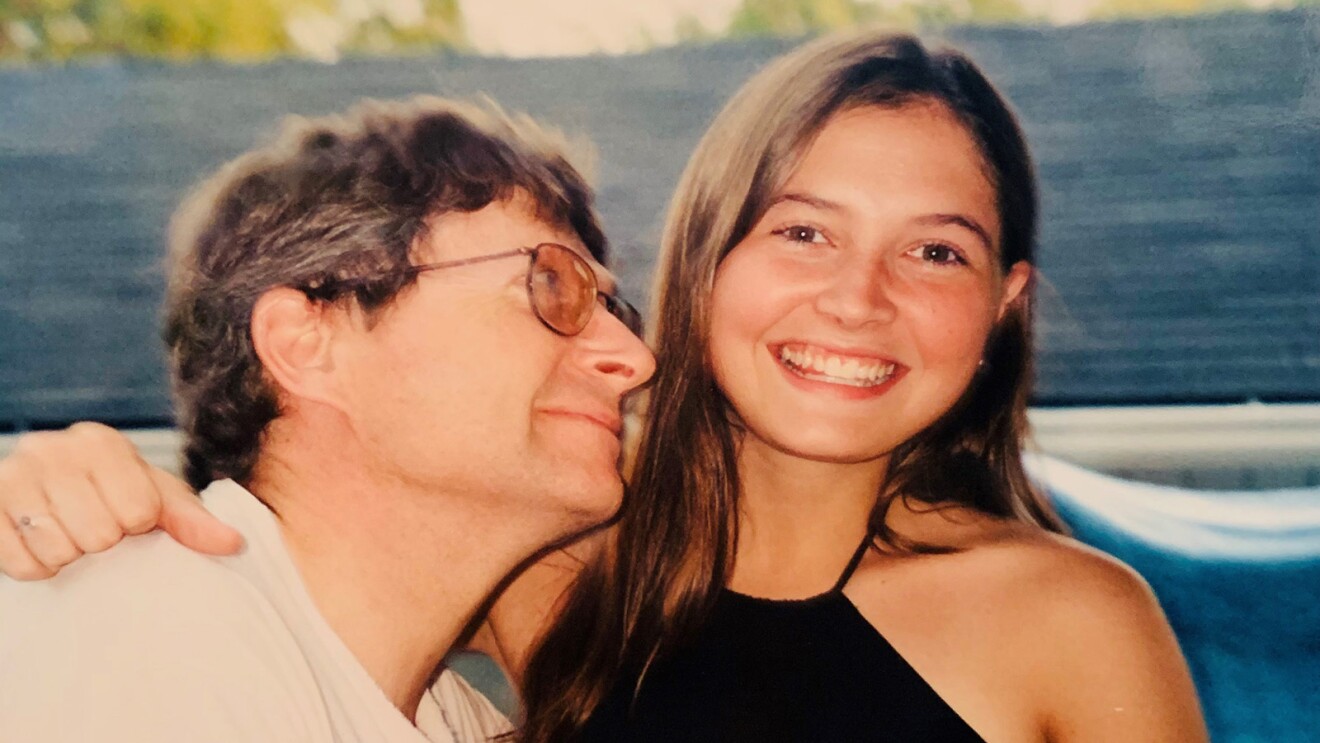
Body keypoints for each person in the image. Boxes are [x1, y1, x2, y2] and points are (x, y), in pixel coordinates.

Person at [0, 31, 1207, 742]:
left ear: (1005, 303)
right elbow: (314, 526)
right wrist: (67, 482)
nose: (860, 298)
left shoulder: (1075, 620)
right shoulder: (558, 550)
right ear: (705, 259)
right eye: (801, 232)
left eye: (937, 251)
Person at [0, 95, 654, 742]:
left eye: (613, 311)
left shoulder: (452, 719)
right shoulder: (156, 636)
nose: (634, 358)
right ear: (306, 345)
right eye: (548, 285)